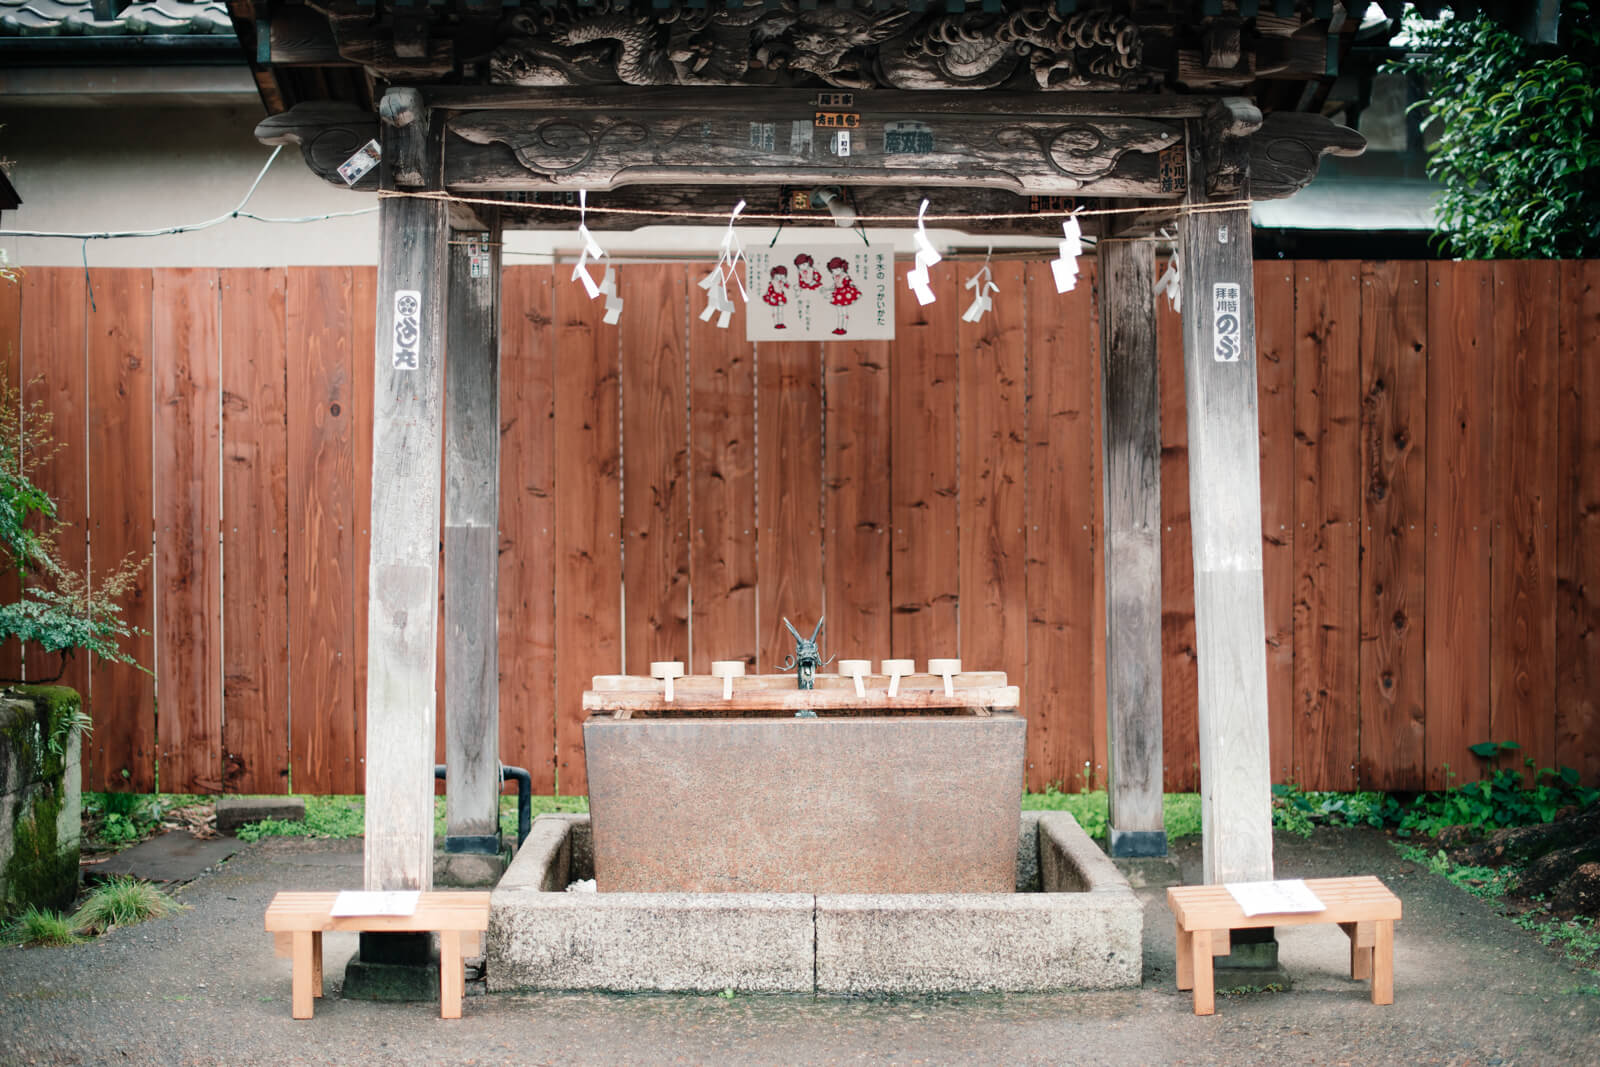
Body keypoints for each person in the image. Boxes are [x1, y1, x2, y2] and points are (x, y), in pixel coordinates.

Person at [826, 256, 860, 335]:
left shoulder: (845, 276)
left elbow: (850, 283)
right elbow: (835, 284)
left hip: (844, 295)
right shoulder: (834, 276)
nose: (835, 271)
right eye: (833, 270)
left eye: (837, 269)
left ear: (842, 268)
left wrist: (853, 285)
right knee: (839, 313)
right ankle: (839, 328)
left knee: (844, 313)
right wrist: (829, 289)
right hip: (837, 295)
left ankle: (844, 328)